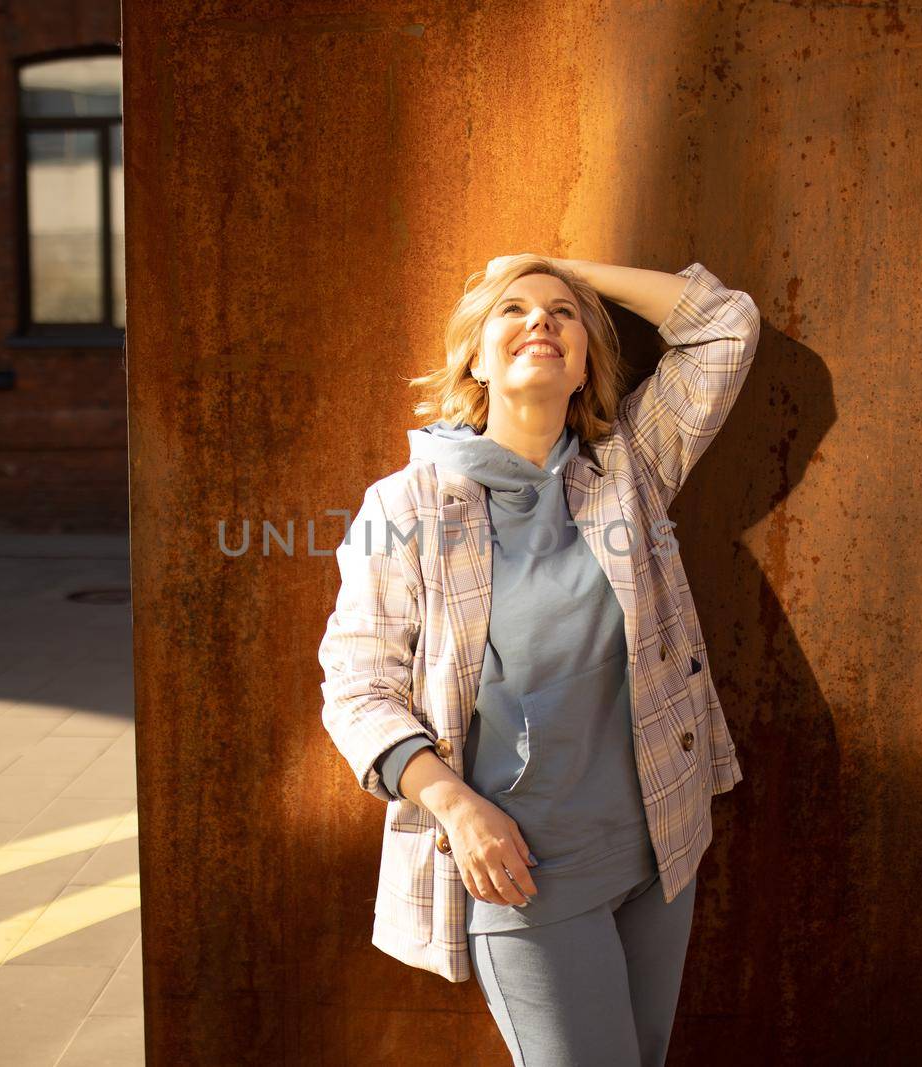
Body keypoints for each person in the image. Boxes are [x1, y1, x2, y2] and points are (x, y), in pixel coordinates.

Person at [319, 253, 759, 1066]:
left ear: (587, 360)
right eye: (513, 310)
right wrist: (452, 803)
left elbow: (725, 325)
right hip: (524, 870)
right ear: (476, 359)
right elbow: (356, 686)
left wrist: (566, 266)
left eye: (564, 313)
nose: (542, 321)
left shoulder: (625, 467)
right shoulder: (407, 504)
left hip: (658, 841)